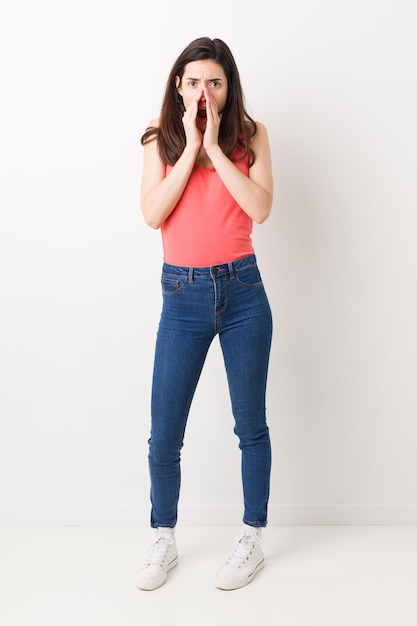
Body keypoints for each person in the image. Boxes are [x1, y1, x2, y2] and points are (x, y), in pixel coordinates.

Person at [136, 37, 273, 591]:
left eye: (214, 82)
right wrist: (191, 146)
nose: (203, 91)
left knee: (251, 427)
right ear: (178, 85)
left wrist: (217, 147)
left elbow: (260, 208)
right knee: (164, 434)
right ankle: (163, 536)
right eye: (193, 81)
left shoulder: (251, 134)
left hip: (243, 293)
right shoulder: (158, 136)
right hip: (182, 297)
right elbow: (152, 214)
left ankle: (252, 539)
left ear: (228, 86)